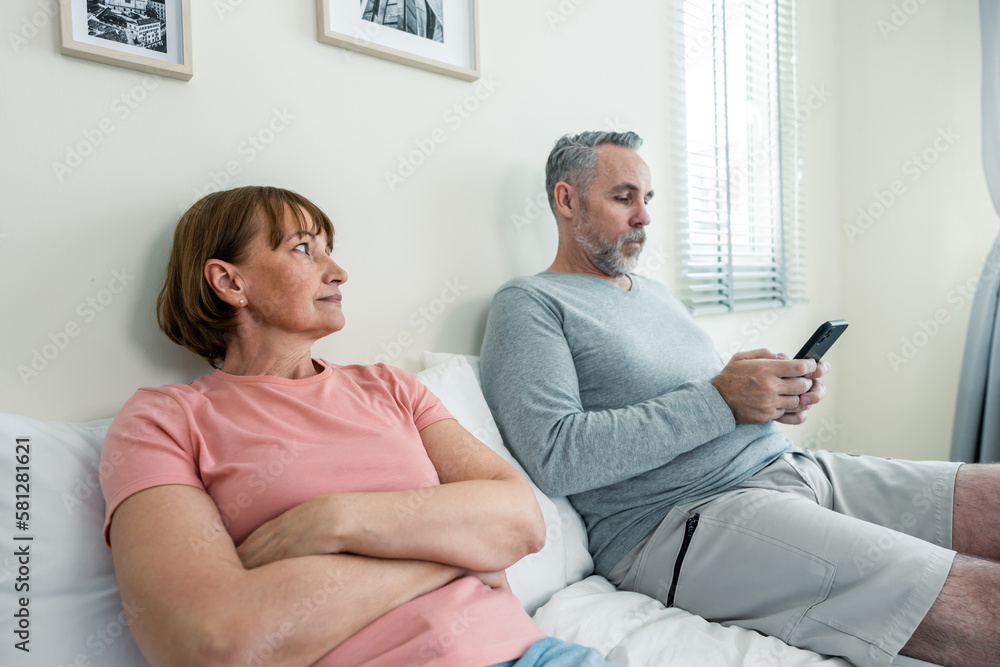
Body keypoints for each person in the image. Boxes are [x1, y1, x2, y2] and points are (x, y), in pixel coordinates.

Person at [479, 131, 1000, 667]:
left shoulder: (654, 295)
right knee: (981, 596)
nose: (644, 217)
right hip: (683, 519)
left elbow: (711, 404)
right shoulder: (530, 304)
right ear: (567, 200)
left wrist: (770, 399)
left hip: (789, 466)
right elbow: (556, 456)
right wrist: (722, 400)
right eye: (623, 197)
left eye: (648, 199)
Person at [99, 186, 622, 667]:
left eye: (329, 249)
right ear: (230, 281)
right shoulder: (163, 421)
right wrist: (455, 554)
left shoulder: (390, 386)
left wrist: (333, 519)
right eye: (304, 249)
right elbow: (210, 641)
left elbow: (522, 522)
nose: (339, 272)